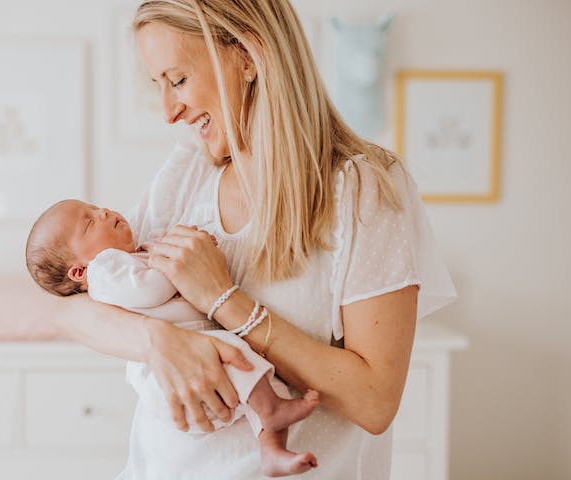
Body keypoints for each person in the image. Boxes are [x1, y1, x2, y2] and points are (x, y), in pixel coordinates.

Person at [52, 1, 457, 478]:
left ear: (247, 56)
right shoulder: (184, 177)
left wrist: (225, 301)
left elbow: (374, 400)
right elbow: (70, 309)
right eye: (156, 86)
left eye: (178, 80)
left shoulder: (361, 190)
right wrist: (159, 341)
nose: (168, 112)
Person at [25, 198, 321, 476]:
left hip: (195, 346)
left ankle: (272, 451)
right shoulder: (103, 272)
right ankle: (272, 414)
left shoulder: (132, 254)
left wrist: (191, 242)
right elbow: (148, 289)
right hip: (175, 367)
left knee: (252, 373)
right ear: (79, 272)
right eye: (89, 222)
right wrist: (182, 266)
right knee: (240, 360)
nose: (102, 212)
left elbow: (165, 253)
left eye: (96, 207)